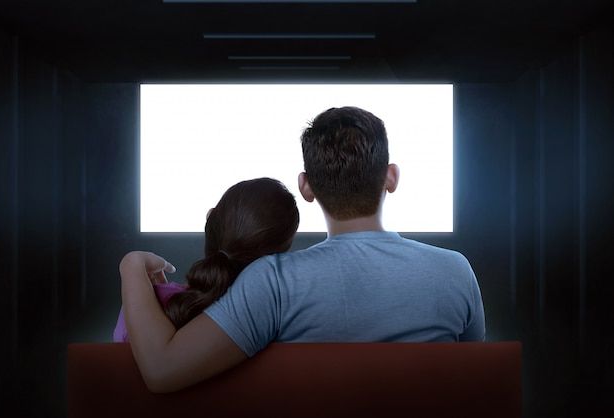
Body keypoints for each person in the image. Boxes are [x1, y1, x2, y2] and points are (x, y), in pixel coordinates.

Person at [119, 106, 485, 393]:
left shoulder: (274, 282)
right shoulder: (456, 271)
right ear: (391, 176)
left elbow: (161, 371)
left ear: (306, 187)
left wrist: (132, 265)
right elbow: (470, 383)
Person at [115, 177, 299, 341]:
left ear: (210, 219)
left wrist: (152, 290)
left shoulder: (142, 306)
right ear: (282, 252)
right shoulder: (282, 318)